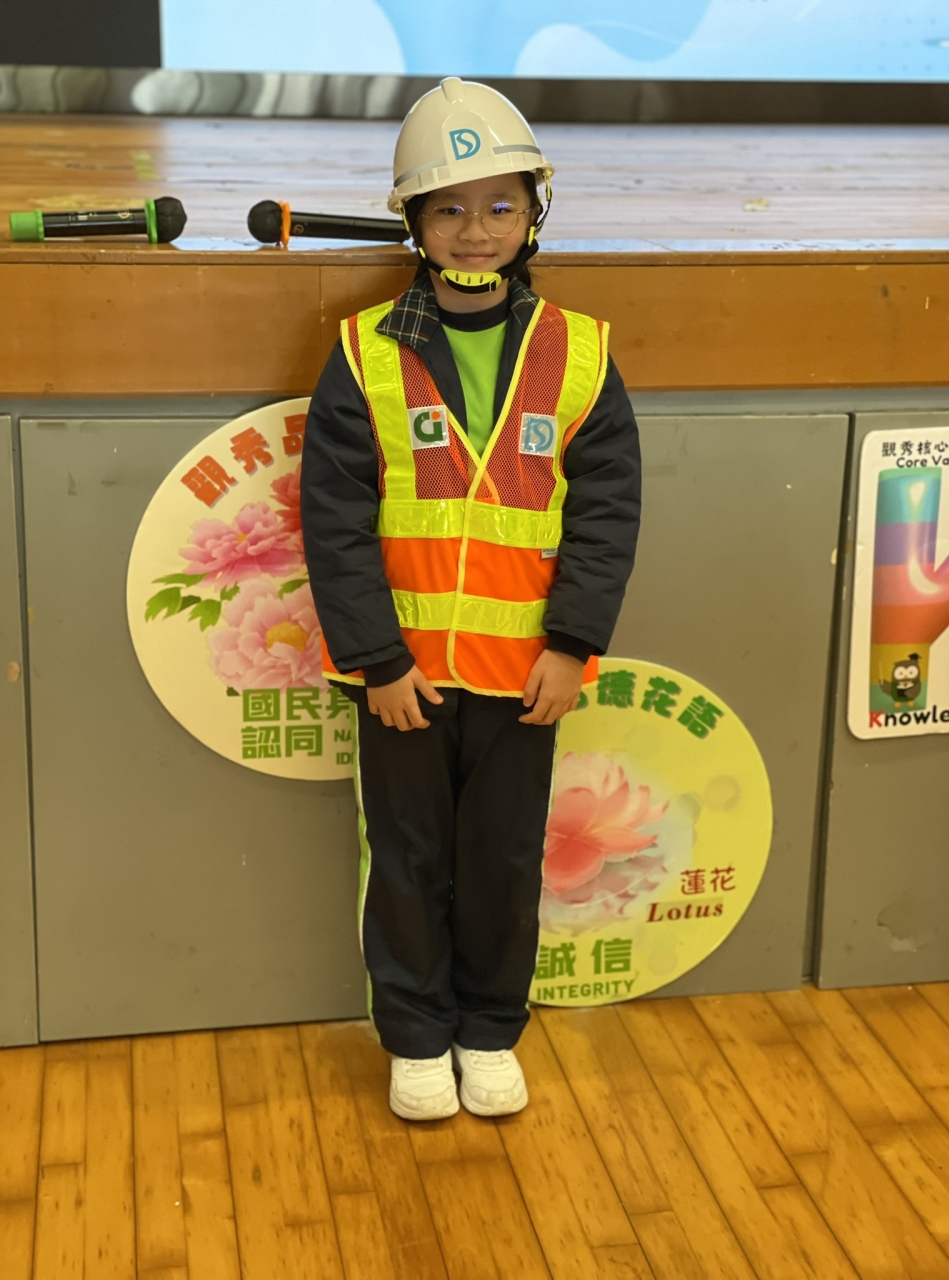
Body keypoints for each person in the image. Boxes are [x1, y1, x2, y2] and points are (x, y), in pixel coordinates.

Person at [301, 77, 641, 1121]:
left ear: (537, 210)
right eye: (448, 208)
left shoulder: (582, 353)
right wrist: (378, 660)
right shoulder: (363, 352)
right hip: (402, 680)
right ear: (412, 220)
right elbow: (335, 521)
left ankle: (490, 1028)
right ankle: (415, 1037)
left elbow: (608, 514)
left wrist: (571, 645)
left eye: (500, 205)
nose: (476, 229)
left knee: (501, 859)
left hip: (524, 677)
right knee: (405, 861)